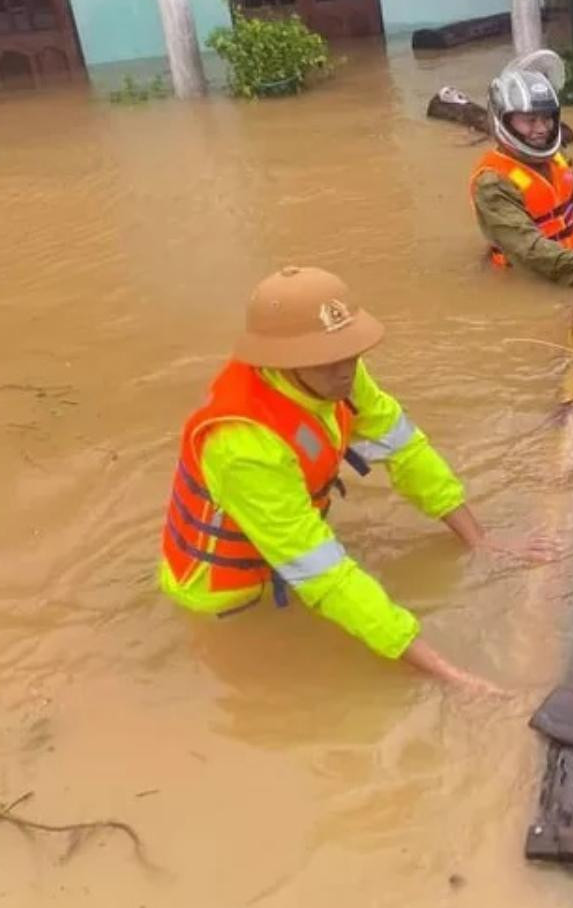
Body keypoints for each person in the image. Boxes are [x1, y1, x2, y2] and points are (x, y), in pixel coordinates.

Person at [159, 265, 548, 693]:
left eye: (351, 352)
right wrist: (444, 673)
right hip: (229, 603)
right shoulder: (244, 448)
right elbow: (326, 575)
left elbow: (405, 448)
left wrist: (479, 539)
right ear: (286, 361)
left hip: (281, 557)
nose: (347, 370)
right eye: (329, 360)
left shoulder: (335, 375)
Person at [470, 57, 573, 288]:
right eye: (529, 120)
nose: (541, 129)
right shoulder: (492, 183)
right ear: (505, 121)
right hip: (531, 278)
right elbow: (531, 250)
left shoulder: (556, 158)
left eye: (547, 118)